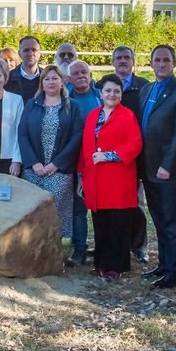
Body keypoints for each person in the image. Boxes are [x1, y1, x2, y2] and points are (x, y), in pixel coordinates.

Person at [137, 46, 176, 288]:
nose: (161, 64)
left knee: (172, 221)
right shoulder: (146, 90)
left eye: (166, 60)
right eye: (157, 60)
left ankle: (174, 271)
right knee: (159, 219)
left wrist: (168, 165)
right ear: (151, 63)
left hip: (168, 169)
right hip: (148, 166)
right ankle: (163, 264)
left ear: (174, 64)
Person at [78, 74, 143, 279]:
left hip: (118, 177)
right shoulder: (92, 116)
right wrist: (82, 175)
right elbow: (85, 147)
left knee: (118, 223)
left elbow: (135, 144)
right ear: (101, 92)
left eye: (116, 91)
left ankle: (118, 266)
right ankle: (101, 264)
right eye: (108, 90)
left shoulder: (127, 116)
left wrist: (109, 155)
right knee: (100, 222)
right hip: (96, 177)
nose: (112, 94)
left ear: (121, 94)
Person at [19, 65, 84, 247]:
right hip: (34, 171)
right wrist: (34, 163)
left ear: (62, 81)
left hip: (60, 171)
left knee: (55, 211)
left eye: (54, 78)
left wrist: (56, 164)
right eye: (46, 79)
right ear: (42, 83)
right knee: (33, 212)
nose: (51, 82)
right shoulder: (32, 105)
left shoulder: (73, 106)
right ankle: (32, 252)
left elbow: (77, 136)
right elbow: (22, 134)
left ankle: (54, 253)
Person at [98, 45, 150, 263]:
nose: (122, 60)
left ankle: (139, 245)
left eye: (126, 57)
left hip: (134, 152)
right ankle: (112, 245)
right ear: (113, 61)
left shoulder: (143, 86)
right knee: (111, 203)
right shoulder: (103, 84)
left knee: (135, 202)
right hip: (106, 158)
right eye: (118, 57)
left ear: (133, 61)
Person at [65, 59, 101, 264]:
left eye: (84, 72)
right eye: (76, 73)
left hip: (98, 160)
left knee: (100, 206)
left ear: (90, 74)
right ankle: (79, 249)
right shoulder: (65, 99)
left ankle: (102, 247)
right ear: (69, 79)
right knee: (78, 207)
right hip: (73, 160)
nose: (80, 76)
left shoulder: (99, 97)